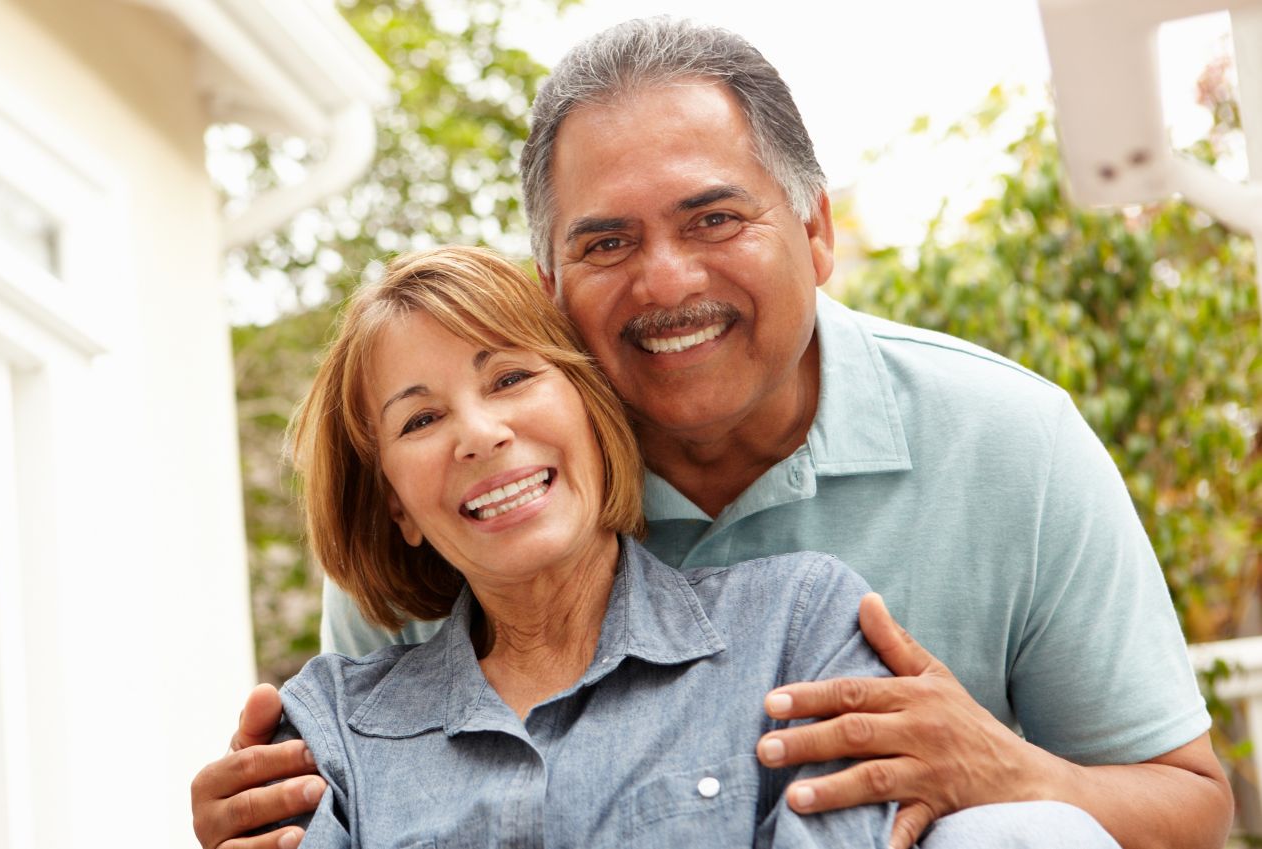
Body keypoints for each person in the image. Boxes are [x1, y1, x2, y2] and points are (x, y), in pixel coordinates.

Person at [191, 17, 1232, 849]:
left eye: (714, 219)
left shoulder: (1008, 441)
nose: (667, 281)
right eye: (606, 242)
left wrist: (1010, 770)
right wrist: (268, 811)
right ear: (551, 289)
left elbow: (1191, 806)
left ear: (817, 232)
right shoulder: (489, 495)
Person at [263, 245, 904, 848]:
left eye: (510, 377)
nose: (481, 435)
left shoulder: (800, 627)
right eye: (421, 420)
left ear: (592, 412)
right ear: (396, 504)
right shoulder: (329, 729)